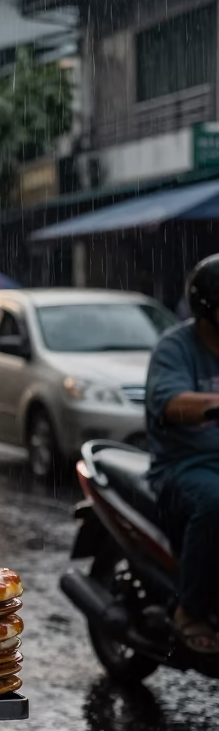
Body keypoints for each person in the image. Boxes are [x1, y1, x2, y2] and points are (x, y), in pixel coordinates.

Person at [146, 254, 219, 654]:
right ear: (208, 308)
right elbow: (172, 402)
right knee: (214, 504)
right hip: (184, 466)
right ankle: (189, 609)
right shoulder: (175, 347)